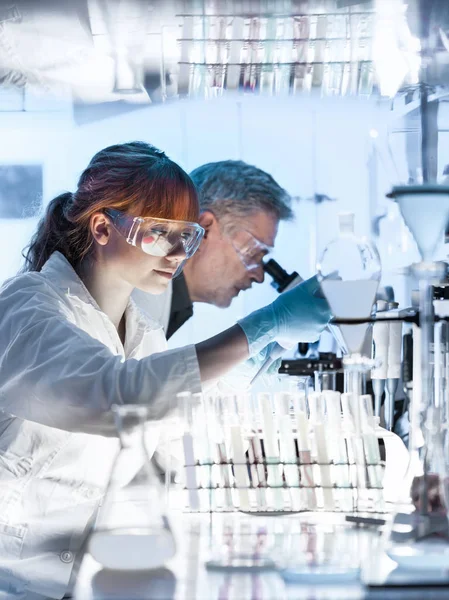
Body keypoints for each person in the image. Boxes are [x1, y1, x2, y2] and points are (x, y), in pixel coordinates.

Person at [0, 141, 329, 598]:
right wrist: (259, 327)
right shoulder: (25, 305)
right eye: (158, 232)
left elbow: (177, 438)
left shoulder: (141, 332)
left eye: (186, 236)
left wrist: (249, 368)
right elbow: (119, 396)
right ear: (101, 227)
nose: (177, 253)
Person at [132, 159, 293, 339]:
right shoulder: (138, 298)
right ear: (204, 229)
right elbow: (137, 368)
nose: (259, 276)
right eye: (253, 253)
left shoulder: (171, 303)